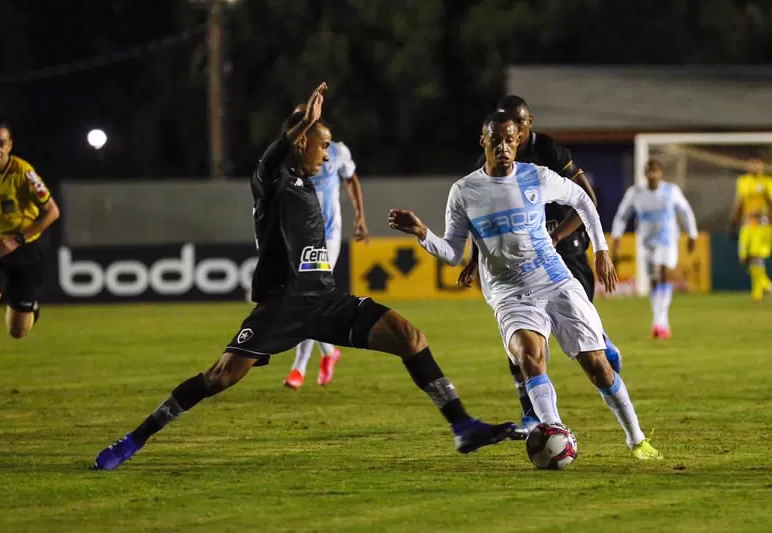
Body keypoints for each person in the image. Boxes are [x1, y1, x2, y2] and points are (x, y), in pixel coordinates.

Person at [92, 83, 516, 471]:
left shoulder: (309, 182)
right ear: (300, 142)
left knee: (410, 336)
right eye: (322, 145)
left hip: (325, 299)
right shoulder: (272, 180)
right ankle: (134, 440)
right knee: (218, 377)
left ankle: (462, 426)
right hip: (283, 305)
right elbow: (272, 158)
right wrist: (305, 122)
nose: (327, 155)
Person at [390, 112, 662, 460]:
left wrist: (602, 250)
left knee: (597, 366)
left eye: (510, 140)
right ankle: (555, 432)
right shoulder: (464, 191)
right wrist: (422, 234)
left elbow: (582, 200)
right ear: (483, 141)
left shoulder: (537, 176)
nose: (504, 147)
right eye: (496, 140)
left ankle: (637, 439)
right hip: (509, 293)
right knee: (529, 358)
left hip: (554, 279)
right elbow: (453, 252)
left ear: (518, 141)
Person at [458, 96, 622, 437]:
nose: (516, 131)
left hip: (567, 247)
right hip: (520, 256)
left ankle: (601, 344)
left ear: (528, 122)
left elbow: (585, 199)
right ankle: (533, 413)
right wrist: (473, 258)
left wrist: (560, 237)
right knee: (521, 339)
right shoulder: (491, 157)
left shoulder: (549, 151)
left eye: (522, 122)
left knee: (578, 318)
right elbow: (480, 218)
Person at [0, 122, 61, 401]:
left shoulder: (24, 173)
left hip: (24, 249)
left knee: (17, 331)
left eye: (1, 144)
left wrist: (17, 240)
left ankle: (28, 306)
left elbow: (52, 212)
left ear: (10, 146)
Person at [284, 105, 369, 390]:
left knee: (309, 296)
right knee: (307, 299)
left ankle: (298, 369)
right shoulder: (287, 155)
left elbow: (352, 179)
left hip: (328, 236)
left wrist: (360, 217)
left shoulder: (335, 150)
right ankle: (330, 352)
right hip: (299, 236)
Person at [612, 160, 698, 338]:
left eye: (655, 171)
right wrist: (616, 236)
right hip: (646, 242)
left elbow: (685, 211)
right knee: (653, 279)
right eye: (649, 172)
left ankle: (661, 321)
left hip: (667, 240)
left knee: (663, 272)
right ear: (645, 174)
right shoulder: (635, 193)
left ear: (661, 174)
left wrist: (692, 234)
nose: (652, 175)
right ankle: (658, 321)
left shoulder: (670, 191)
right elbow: (622, 215)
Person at [729, 158, 772, 302]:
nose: (755, 167)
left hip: (761, 224)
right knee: (744, 258)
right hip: (747, 224)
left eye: (757, 165)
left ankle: (758, 293)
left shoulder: (767, 182)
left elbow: (770, 203)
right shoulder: (743, 181)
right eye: (752, 165)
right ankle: (766, 285)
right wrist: (733, 222)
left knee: (755, 255)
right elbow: (739, 202)